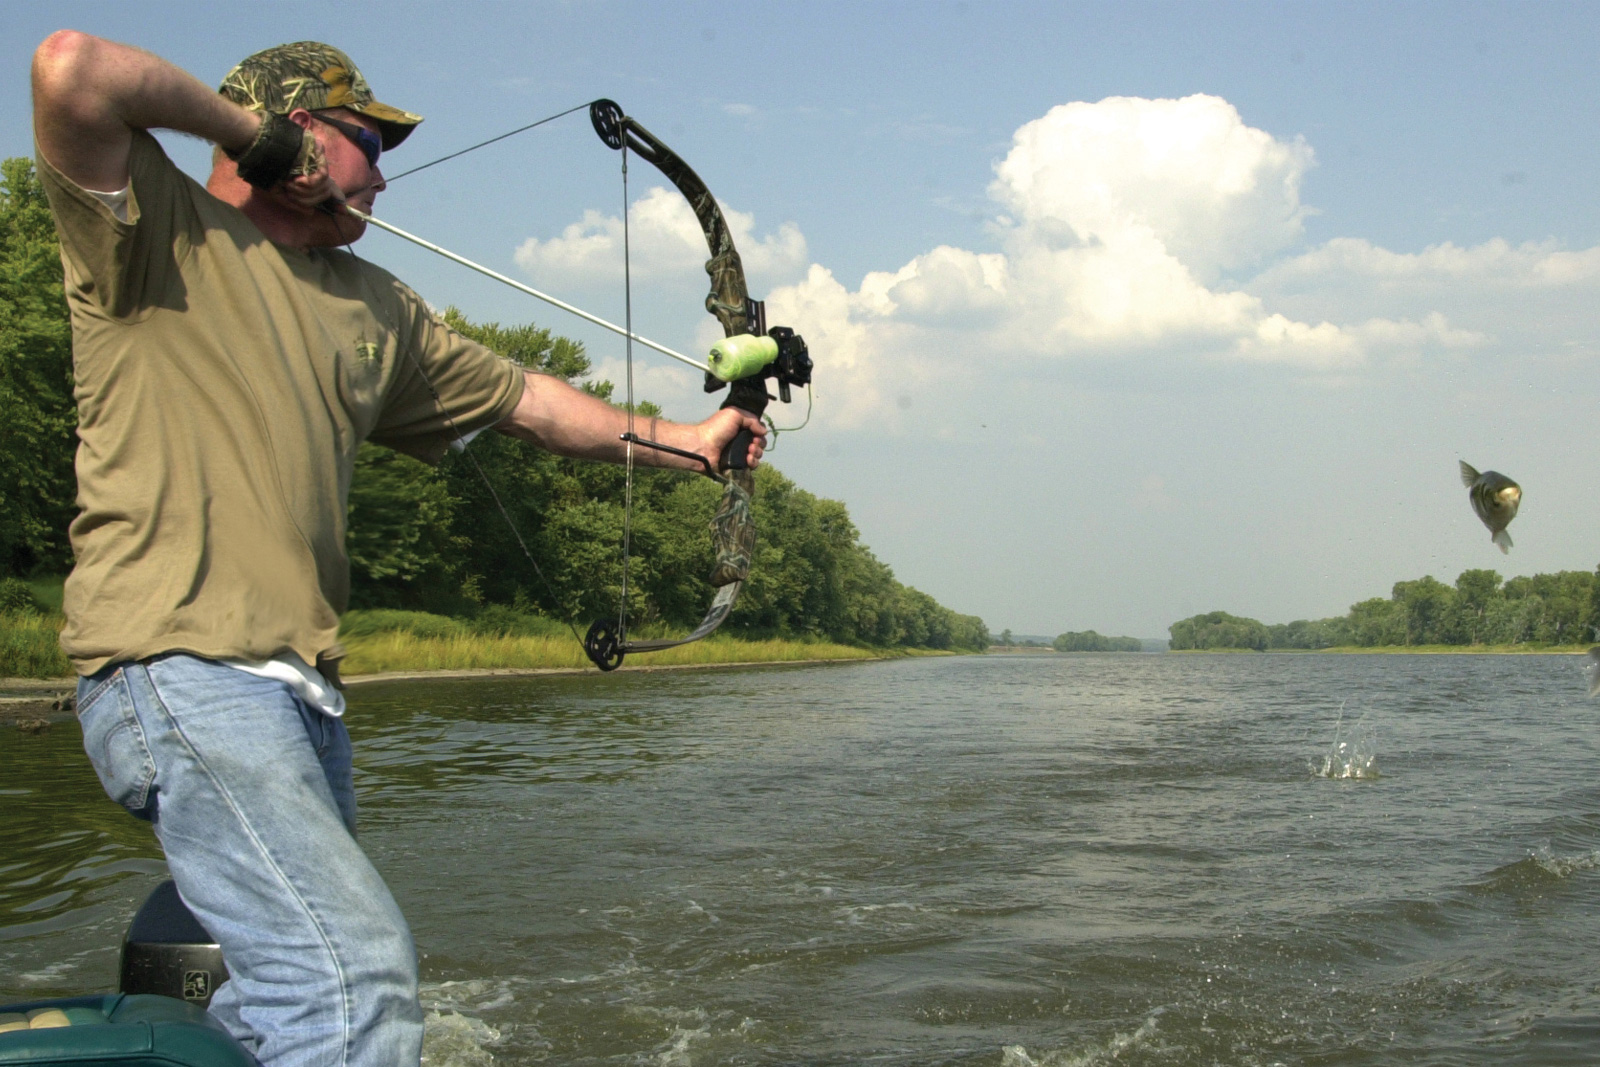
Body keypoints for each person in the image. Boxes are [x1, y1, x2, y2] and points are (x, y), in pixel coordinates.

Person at [29, 30, 766, 1067]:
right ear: (295, 135)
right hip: (179, 666)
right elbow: (70, 67)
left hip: (303, 693)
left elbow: (532, 402)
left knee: (279, 992)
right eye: (365, 139)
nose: (383, 170)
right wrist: (256, 136)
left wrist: (693, 445)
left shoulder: (375, 304)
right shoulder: (151, 227)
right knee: (350, 978)